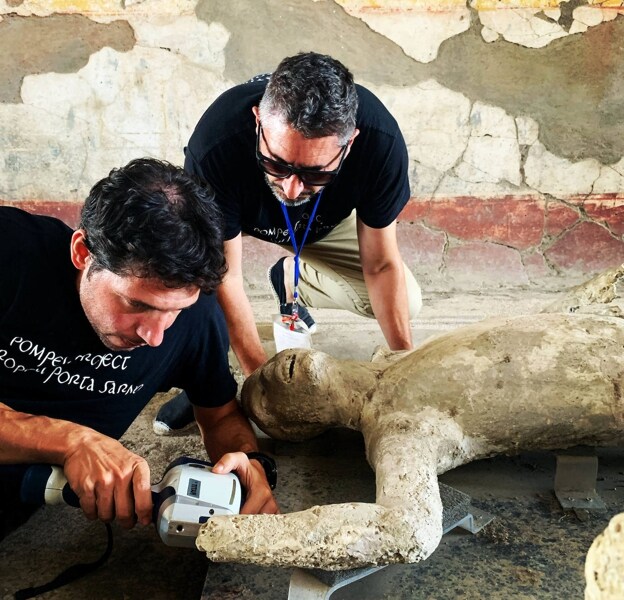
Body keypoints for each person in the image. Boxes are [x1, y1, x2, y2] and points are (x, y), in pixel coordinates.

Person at [0, 158, 279, 541]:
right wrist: (70, 441)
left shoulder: (197, 321)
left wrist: (250, 464)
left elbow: (219, 417)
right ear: (83, 252)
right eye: (138, 304)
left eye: (174, 311)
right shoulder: (10, 253)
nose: (155, 336)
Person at [153, 51, 421, 434]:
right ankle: (211, 385)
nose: (292, 187)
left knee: (408, 302)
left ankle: (293, 278)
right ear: (258, 122)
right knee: (188, 286)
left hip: (321, 225)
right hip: (239, 215)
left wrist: (402, 367)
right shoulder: (217, 144)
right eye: (277, 164)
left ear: (350, 143)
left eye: (315, 173)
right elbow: (225, 277)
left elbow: (380, 264)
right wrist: (262, 387)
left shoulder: (381, 143)